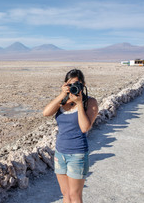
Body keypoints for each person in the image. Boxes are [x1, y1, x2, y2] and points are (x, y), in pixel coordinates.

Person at [43, 69, 99, 203]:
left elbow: (85, 128)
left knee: (75, 196)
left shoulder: (89, 103)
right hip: (60, 153)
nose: (74, 87)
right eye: (70, 84)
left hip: (77, 154)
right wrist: (62, 94)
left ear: (83, 85)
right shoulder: (63, 101)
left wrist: (79, 103)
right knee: (65, 194)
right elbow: (46, 113)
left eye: (77, 84)